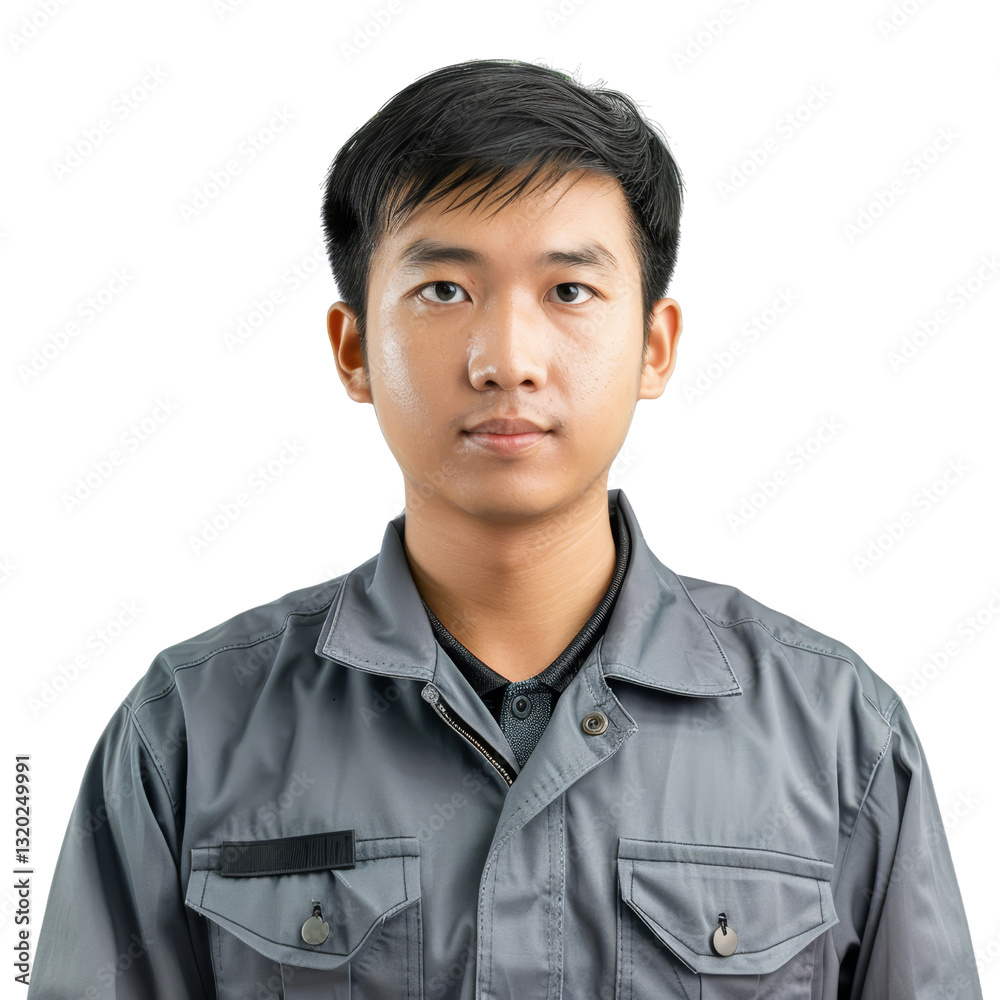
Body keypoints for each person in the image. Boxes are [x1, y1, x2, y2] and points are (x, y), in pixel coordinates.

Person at [28, 58, 983, 1000]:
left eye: (569, 292)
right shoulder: (192, 731)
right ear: (354, 348)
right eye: (445, 290)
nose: (507, 358)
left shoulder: (838, 736)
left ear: (654, 346)